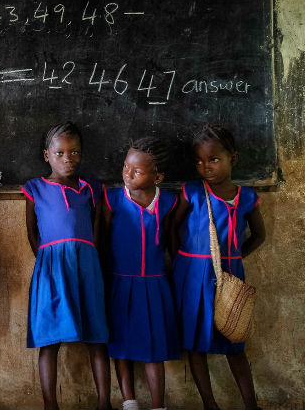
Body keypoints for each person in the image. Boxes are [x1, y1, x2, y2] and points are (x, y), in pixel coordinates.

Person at [171, 125, 266, 410]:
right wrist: (182, 261)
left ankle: (251, 404)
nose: (206, 166)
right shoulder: (192, 193)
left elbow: (259, 236)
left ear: (232, 159)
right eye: (199, 161)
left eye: (214, 159)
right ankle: (209, 404)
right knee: (196, 342)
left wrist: (234, 259)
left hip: (229, 276)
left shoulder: (246, 197)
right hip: (192, 276)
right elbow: (172, 229)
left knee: (234, 339)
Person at [21, 121, 110, 410]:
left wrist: (89, 253)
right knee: (49, 339)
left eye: (74, 153)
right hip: (51, 268)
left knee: (96, 336)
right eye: (60, 153)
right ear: (47, 155)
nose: (67, 159)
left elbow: (98, 226)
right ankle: (50, 404)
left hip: (87, 266)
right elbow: (31, 230)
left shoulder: (91, 189)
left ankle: (104, 402)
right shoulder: (35, 187)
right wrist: (47, 259)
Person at [100, 137, 180, 410]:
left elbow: (171, 243)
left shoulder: (169, 202)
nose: (127, 173)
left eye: (137, 170)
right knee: (120, 342)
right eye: (125, 166)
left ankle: (158, 404)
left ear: (157, 177)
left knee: (153, 345)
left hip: (155, 284)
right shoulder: (111, 200)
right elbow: (102, 242)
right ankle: (128, 401)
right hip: (120, 281)